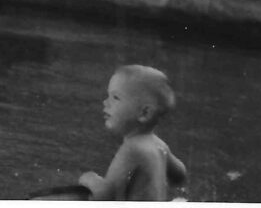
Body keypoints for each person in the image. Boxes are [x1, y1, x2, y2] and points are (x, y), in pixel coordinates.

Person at [78, 64, 187, 200]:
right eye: (108, 96)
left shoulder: (132, 149)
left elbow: (106, 195)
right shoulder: (159, 146)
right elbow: (180, 175)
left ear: (144, 113)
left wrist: (89, 179)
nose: (105, 102)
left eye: (116, 98)